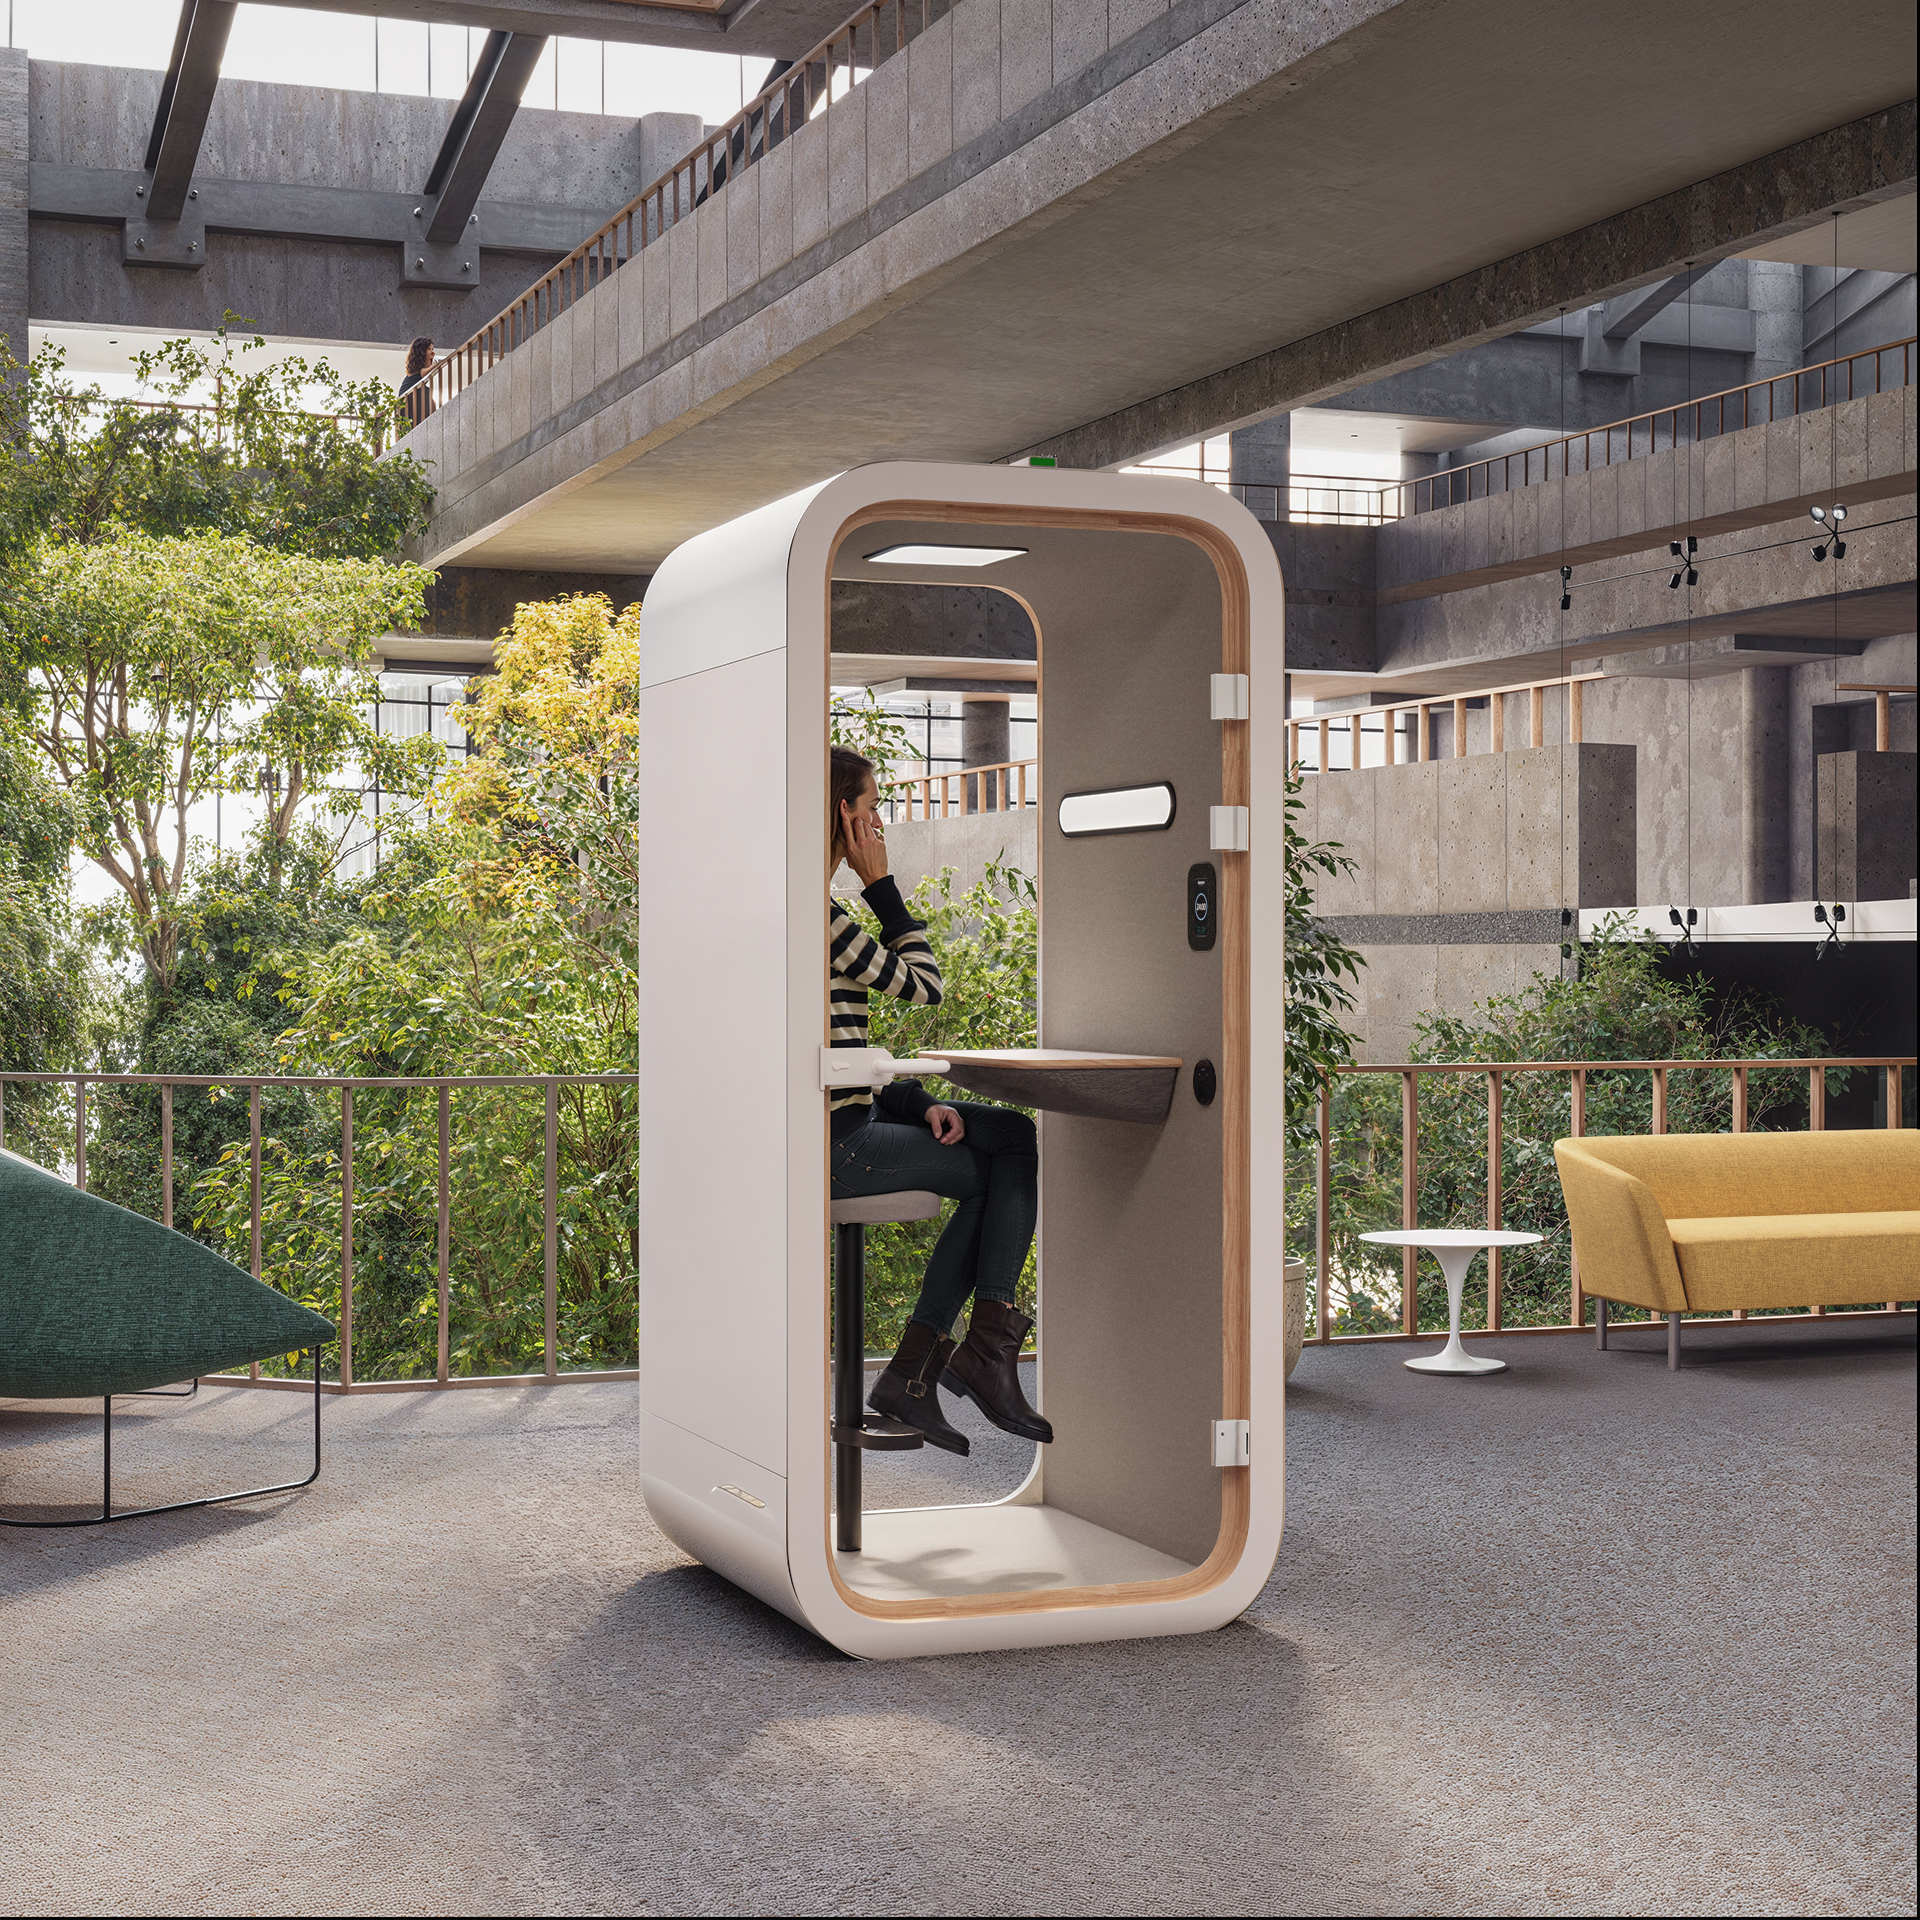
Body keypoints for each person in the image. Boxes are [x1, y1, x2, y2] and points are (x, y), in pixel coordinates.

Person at [828, 745, 1053, 1456]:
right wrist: (882, 886)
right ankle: (959, 1361)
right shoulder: (819, 923)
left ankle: (933, 1372)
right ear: (845, 816)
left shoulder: (805, 915)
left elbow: (834, 1054)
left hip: (848, 1125)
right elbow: (925, 984)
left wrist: (914, 1101)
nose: (881, 827)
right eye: (873, 811)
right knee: (1003, 1163)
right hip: (843, 1149)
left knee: (1011, 1136)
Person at [398, 337, 435, 425]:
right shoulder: (418, 372)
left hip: (411, 408)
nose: (433, 353)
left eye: (433, 349)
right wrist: (437, 364)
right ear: (421, 353)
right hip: (408, 409)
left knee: (428, 394)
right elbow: (427, 372)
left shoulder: (416, 376)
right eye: (429, 349)